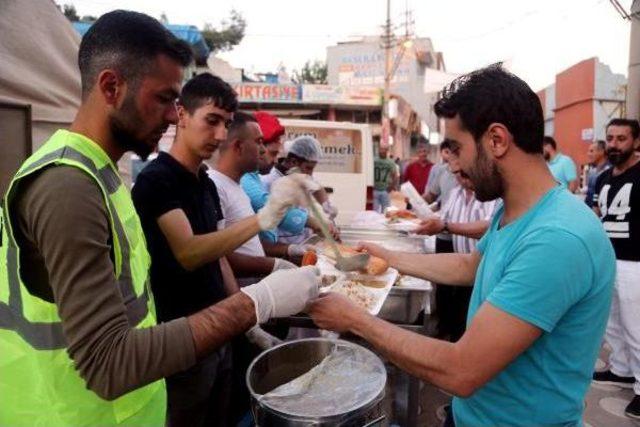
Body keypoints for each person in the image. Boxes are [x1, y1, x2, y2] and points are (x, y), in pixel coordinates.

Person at [0, 12, 319, 427]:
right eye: (164, 99)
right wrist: (256, 302)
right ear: (111, 87)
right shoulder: (68, 186)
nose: (174, 116)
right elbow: (108, 363)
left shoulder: (103, 175)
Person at [309, 65, 616, 426]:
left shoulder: (558, 239)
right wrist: (389, 258)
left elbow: (461, 371)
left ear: (497, 140)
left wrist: (356, 320)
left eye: (455, 147)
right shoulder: (518, 210)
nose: (451, 164)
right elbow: (474, 265)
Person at [208, 111, 298, 279]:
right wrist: (272, 266)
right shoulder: (215, 186)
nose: (263, 150)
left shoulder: (237, 186)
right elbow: (218, 257)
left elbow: (248, 245)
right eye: (259, 142)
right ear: (239, 147)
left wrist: (287, 251)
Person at [416, 157, 496, 342]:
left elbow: (488, 227)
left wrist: (447, 226)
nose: (462, 179)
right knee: (455, 311)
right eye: (457, 175)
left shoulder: (489, 195)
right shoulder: (456, 193)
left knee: (472, 321)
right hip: (462, 266)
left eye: (464, 174)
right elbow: (444, 216)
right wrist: (425, 221)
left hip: (482, 269)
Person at [592, 118, 640, 419]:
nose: (614, 144)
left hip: (636, 262)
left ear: (635, 142)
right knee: (611, 323)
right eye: (610, 138)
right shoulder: (604, 177)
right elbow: (598, 212)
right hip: (609, 259)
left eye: (621, 139)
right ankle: (622, 370)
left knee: (637, 327)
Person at [584, 139, 610, 208]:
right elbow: (589, 193)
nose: (588, 154)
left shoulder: (610, 171)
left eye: (591, 151)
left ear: (601, 152)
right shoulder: (592, 170)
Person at [373, 144, 398, 212]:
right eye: (381, 149)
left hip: (385, 189)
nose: (382, 151)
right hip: (374, 189)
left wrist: (392, 186)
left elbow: (395, 176)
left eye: (384, 149)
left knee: (386, 211)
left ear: (387, 151)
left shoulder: (390, 162)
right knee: (374, 212)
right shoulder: (374, 160)